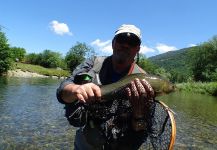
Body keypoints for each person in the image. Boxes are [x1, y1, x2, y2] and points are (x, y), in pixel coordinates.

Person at [56, 24, 155, 150]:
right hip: (86, 141)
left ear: (138, 49)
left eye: (132, 42)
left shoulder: (145, 81)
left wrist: (139, 113)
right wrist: (76, 90)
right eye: (121, 39)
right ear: (113, 43)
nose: (125, 45)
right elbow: (62, 90)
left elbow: (140, 135)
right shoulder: (93, 63)